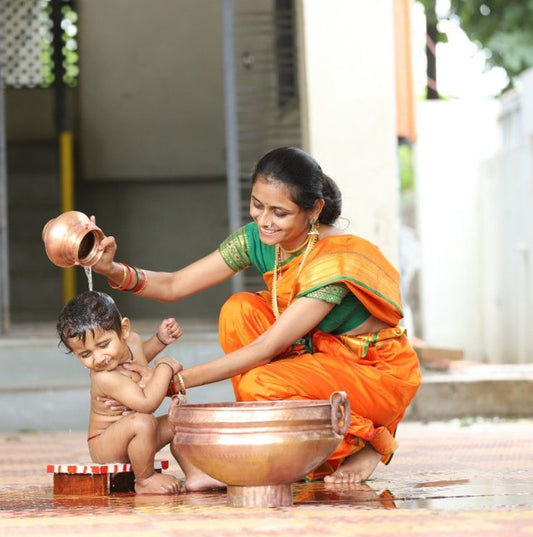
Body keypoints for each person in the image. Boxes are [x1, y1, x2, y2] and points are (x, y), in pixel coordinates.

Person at [91, 146, 422, 489]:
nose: (264, 220)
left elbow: (267, 347)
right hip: (318, 359)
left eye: (280, 212)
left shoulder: (333, 260)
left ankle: (371, 440)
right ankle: (286, 439)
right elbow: (175, 284)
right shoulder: (258, 239)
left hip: (374, 373)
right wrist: (111, 268)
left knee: (258, 384)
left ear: (315, 210)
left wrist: (172, 381)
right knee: (240, 310)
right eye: (258, 205)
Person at [56, 290, 185, 494]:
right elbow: (147, 403)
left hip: (140, 437)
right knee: (142, 420)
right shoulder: (104, 376)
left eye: (104, 345)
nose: (99, 358)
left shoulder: (132, 341)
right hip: (106, 444)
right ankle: (145, 479)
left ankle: (195, 474)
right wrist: (165, 367)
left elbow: (137, 362)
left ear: (124, 330)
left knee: (182, 421)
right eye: (85, 354)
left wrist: (159, 340)